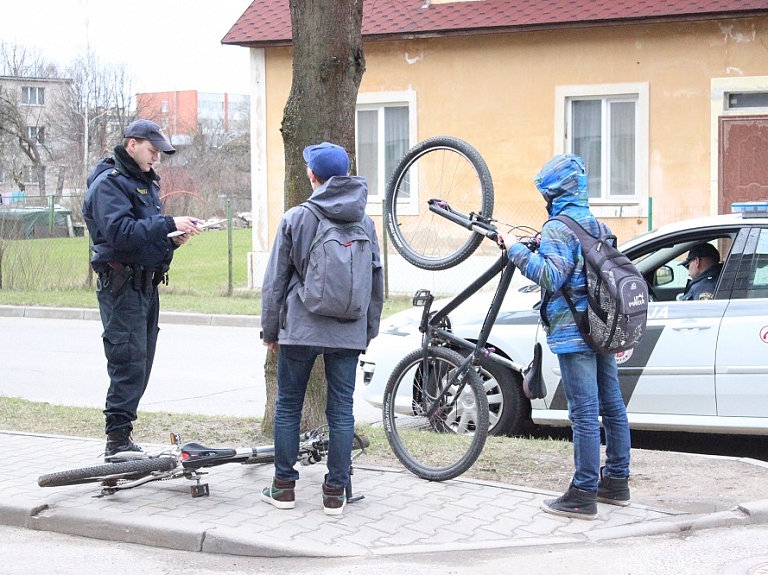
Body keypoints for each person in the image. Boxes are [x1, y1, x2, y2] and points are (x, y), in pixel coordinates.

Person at [498, 154, 631, 520]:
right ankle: (617, 481)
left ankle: (583, 493)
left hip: (575, 334)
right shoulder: (596, 225)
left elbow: (550, 277)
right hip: (602, 328)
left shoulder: (559, 227)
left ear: (554, 191)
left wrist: (515, 249)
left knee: (585, 412)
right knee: (612, 404)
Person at [260, 142, 384, 516]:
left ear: (312, 176)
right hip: (348, 331)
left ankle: (283, 487)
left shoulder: (296, 218)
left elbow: (275, 282)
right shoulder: (365, 221)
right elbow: (377, 282)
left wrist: (270, 331)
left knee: (288, 406)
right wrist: (368, 330)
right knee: (342, 411)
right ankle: (335, 493)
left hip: (300, 328)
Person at [82, 119, 202, 460]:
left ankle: (123, 437)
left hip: (145, 286)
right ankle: (116, 442)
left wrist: (173, 240)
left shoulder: (144, 184)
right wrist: (166, 224)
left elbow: (144, 237)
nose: (157, 159)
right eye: (153, 151)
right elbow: (120, 233)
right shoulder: (110, 185)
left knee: (142, 361)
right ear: (132, 144)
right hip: (122, 286)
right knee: (128, 361)